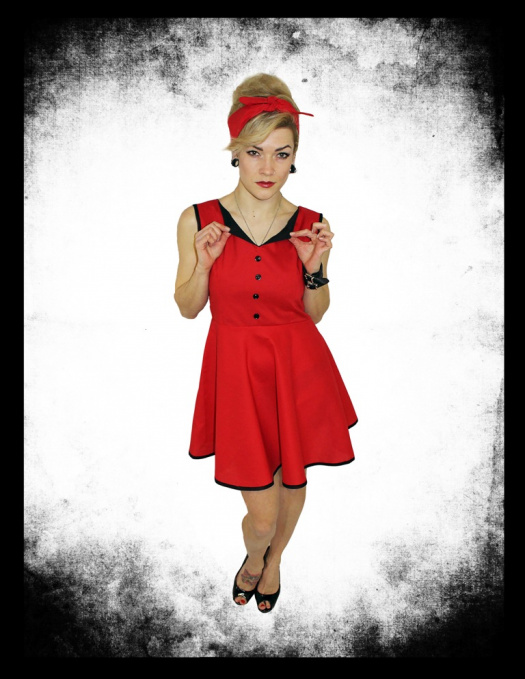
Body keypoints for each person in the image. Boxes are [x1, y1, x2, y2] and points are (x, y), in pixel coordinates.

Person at [174, 73, 358, 613]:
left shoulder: (311, 223)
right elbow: (188, 307)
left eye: (282, 153)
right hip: (236, 371)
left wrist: (315, 268)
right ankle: (257, 554)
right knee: (261, 516)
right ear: (236, 150)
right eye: (255, 152)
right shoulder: (199, 220)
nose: (267, 168)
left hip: (298, 369)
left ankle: (272, 564)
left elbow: (315, 314)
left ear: (295, 157)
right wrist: (204, 264)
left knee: (292, 478)